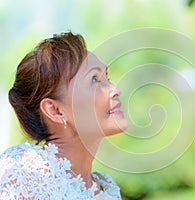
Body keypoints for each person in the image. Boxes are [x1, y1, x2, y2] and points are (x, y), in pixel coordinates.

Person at [0, 32, 128, 199]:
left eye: (107, 77)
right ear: (55, 110)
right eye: (95, 80)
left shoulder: (107, 189)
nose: (115, 90)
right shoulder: (23, 173)